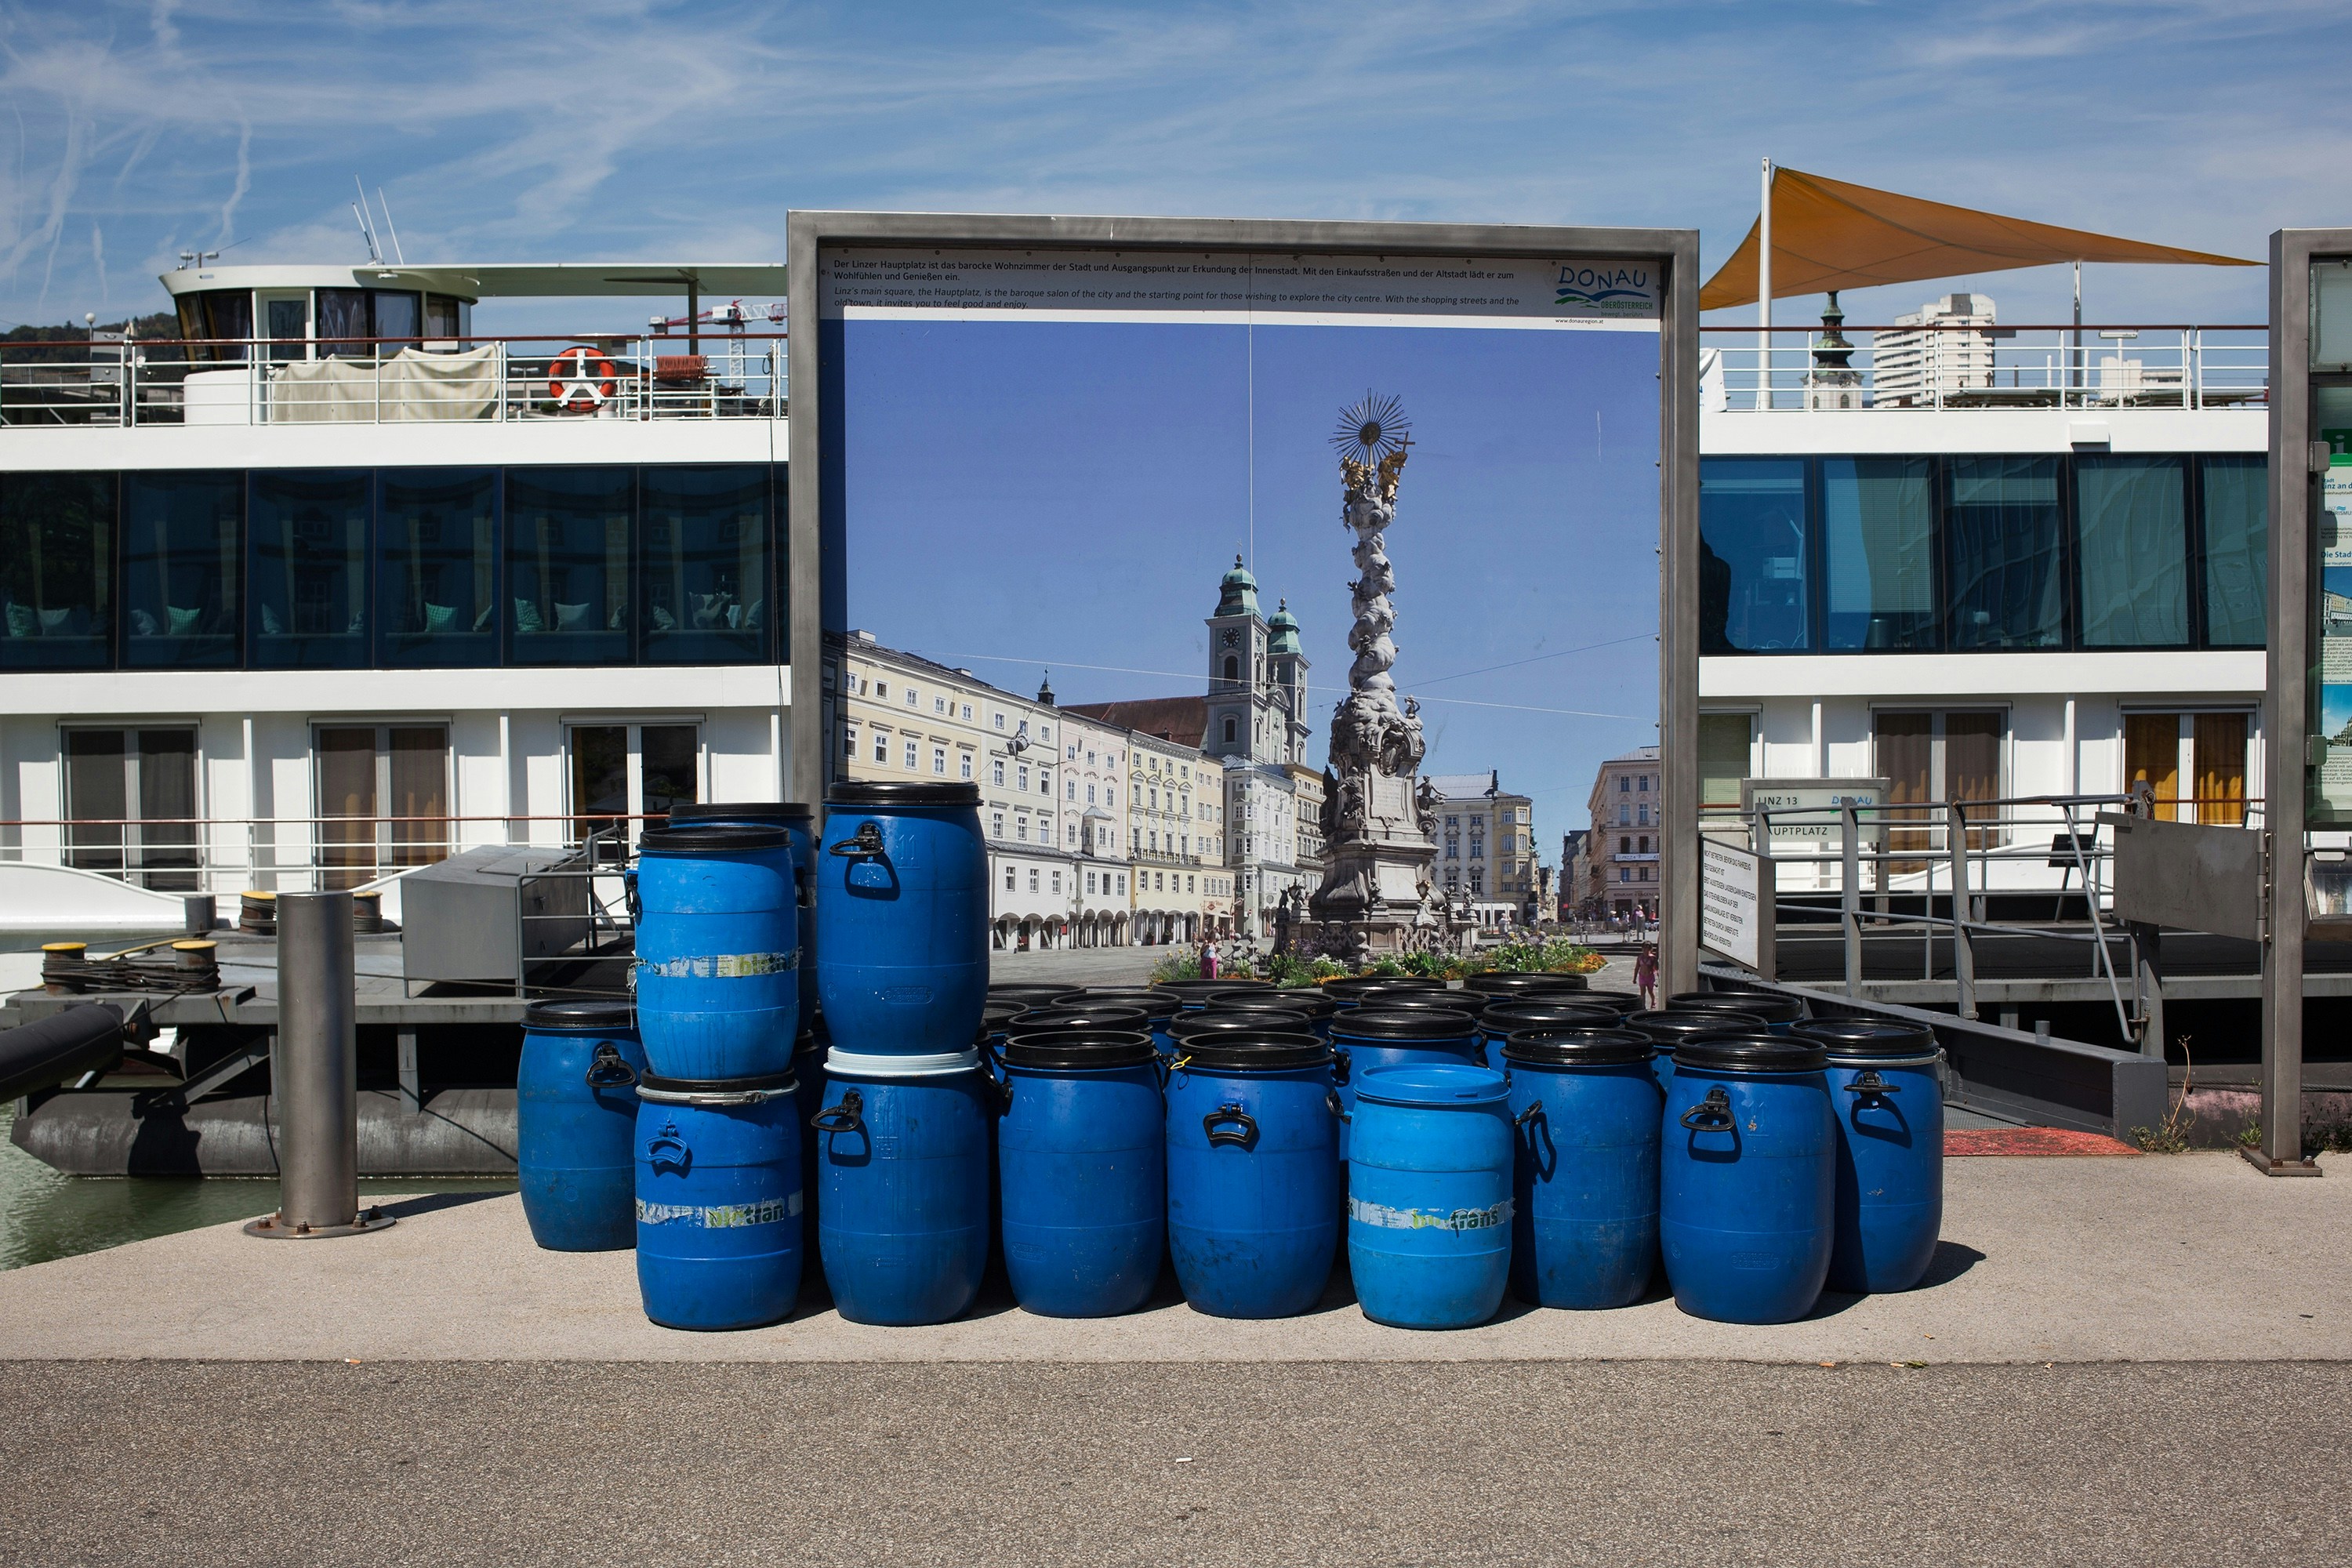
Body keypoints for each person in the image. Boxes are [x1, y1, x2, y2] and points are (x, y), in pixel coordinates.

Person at [1633, 944, 1659, 1010]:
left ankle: (1653, 1000)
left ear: (1650, 950)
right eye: (1644, 949)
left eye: (1647, 949)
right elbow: (1637, 968)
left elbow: (1656, 968)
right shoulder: (1640, 958)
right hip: (1642, 976)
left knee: (1650, 991)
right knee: (1642, 992)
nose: (1645, 951)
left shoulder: (1652, 958)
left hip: (1650, 976)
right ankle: (1643, 1006)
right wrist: (1634, 978)